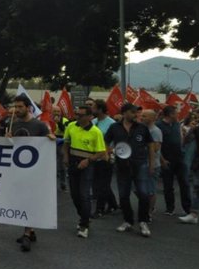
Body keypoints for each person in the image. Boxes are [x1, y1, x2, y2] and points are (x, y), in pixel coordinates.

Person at [8, 94, 56, 251]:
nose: (17, 109)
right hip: (18, 170)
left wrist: (50, 138)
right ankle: (31, 230)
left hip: (35, 171)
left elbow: (49, 144)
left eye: (20, 106)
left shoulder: (40, 125)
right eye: (16, 106)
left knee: (30, 200)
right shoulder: (13, 125)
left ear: (28, 108)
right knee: (22, 200)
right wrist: (7, 139)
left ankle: (27, 234)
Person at [104, 103, 155, 238]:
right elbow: (105, 142)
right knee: (123, 195)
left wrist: (151, 164)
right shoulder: (114, 127)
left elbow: (151, 146)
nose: (136, 115)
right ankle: (128, 220)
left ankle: (143, 221)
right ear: (125, 113)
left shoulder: (142, 128)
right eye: (133, 112)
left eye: (136, 113)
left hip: (140, 165)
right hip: (122, 166)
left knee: (144, 194)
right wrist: (108, 153)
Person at [63, 105, 106, 239]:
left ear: (89, 117)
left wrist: (88, 160)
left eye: (81, 115)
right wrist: (65, 156)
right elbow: (66, 142)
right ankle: (84, 216)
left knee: (84, 195)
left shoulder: (95, 132)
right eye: (77, 114)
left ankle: (84, 224)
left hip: (87, 164)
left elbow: (101, 152)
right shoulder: (71, 126)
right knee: (74, 194)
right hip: (73, 163)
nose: (78, 117)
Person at [156, 106, 191, 216]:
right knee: (168, 184)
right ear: (170, 114)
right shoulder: (159, 126)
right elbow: (156, 145)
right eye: (176, 113)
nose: (178, 115)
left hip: (180, 158)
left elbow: (181, 139)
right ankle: (170, 208)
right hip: (167, 159)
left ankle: (187, 208)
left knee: (184, 183)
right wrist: (162, 159)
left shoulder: (177, 124)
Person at [88, 99, 119, 217]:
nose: (92, 109)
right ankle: (113, 204)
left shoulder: (111, 123)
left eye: (94, 107)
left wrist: (110, 152)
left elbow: (115, 142)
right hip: (94, 156)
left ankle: (99, 210)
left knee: (102, 184)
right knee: (100, 184)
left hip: (106, 157)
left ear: (100, 109)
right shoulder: (93, 122)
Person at [141, 109, 162, 221]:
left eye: (144, 116)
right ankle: (145, 208)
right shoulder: (142, 129)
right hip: (142, 163)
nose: (141, 117)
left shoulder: (155, 131)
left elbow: (156, 148)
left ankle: (149, 212)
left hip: (152, 164)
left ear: (152, 118)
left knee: (150, 190)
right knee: (138, 188)